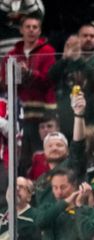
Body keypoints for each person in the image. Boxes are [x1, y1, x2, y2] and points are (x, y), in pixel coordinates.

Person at [0, 13, 55, 169]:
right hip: (19, 114)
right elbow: (6, 85)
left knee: (41, 154)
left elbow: (49, 81)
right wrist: (14, 76)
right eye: (28, 27)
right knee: (21, 157)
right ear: (21, 30)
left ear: (40, 31)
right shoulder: (11, 55)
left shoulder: (48, 51)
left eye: (35, 27)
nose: (31, 30)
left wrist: (29, 73)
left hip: (42, 114)